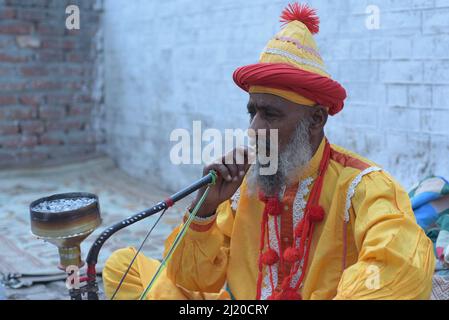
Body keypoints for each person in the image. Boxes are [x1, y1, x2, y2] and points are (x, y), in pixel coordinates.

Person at [102, 2, 435, 300]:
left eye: (271, 114)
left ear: (316, 119)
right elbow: (194, 278)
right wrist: (206, 208)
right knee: (123, 268)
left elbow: (401, 265)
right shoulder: (245, 187)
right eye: (253, 112)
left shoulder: (364, 185)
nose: (255, 130)